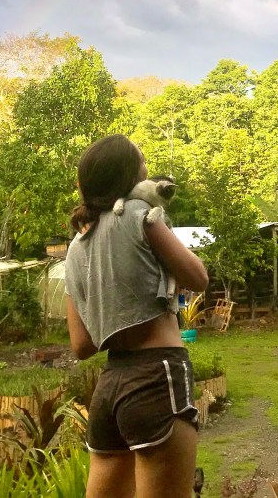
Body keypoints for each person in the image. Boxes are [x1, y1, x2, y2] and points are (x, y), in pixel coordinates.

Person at [64, 134, 209, 498]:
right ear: (132, 175)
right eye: (143, 162)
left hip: (110, 386)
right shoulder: (139, 215)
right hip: (156, 376)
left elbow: (82, 345)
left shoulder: (75, 249)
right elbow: (198, 278)